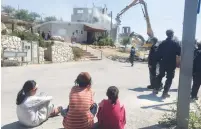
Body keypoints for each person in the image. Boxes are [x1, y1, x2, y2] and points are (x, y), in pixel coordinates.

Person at [153, 30, 181, 98]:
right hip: (171, 64)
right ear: (172, 35)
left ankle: (156, 89)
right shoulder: (175, 43)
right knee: (169, 78)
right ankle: (165, 93)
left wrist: (158, 61)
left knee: (160, 75)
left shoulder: (162, 43)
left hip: (163, 62)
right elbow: (179, 53)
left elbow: (158, 53)